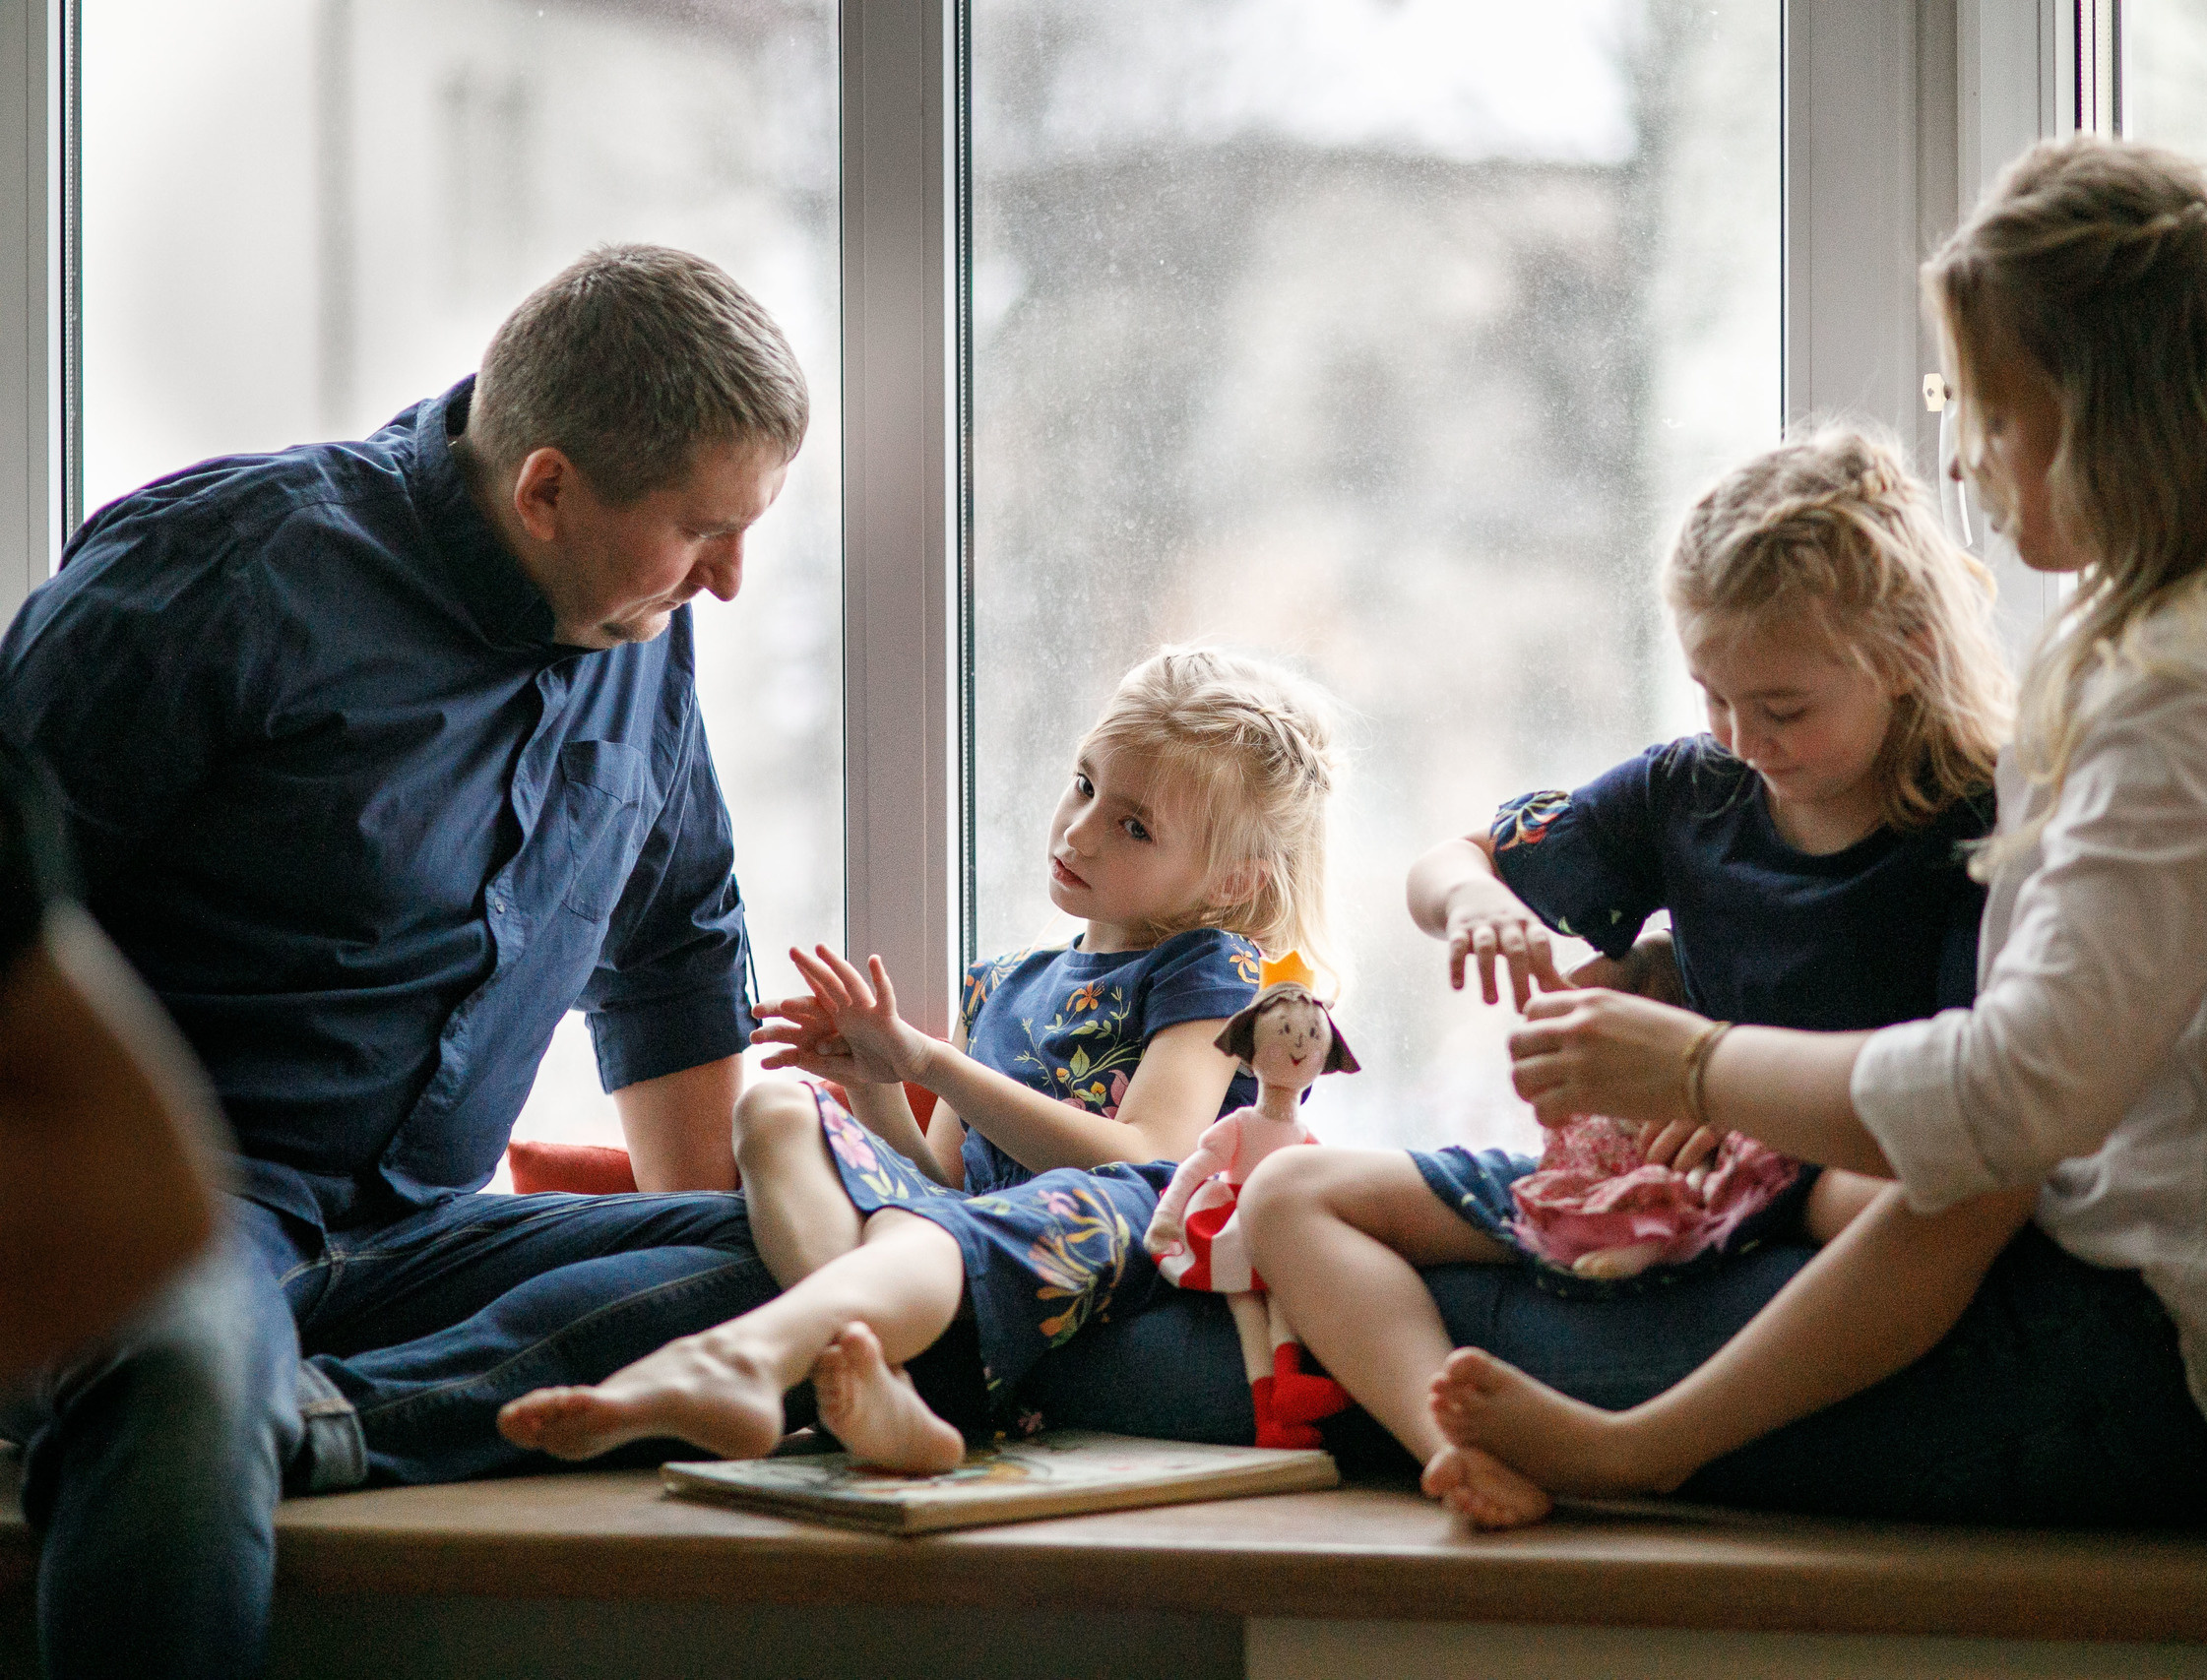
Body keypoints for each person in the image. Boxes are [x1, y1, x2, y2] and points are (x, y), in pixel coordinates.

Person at [1424, 136, 2207, 1528]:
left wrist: (1697, 1066)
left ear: (2107, 416)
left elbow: (2014, 1098)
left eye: (1994, 412)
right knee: (1432, 1272)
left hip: (2152, 1363)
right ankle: (1646, 1439)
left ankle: (1644, 1447)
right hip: (2127, 1301)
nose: (1972, 459)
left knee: (1357, 1319)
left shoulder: (2197, 691)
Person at [0, 244, 807, 1679]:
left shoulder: (639, 623)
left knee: (833, 1243)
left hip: (422, 1243)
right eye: (700, 531)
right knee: (188, 1369)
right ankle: (204, 1391)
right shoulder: (222, 575)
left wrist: (692, 1266)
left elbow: (676, 948)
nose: (731, 580)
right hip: (182, 1219)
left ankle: (317, 1412)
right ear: (545, 486)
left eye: (749, 531)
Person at [1238, 424, 2022, 1525]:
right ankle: (1456, 1446)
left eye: (1784, 707)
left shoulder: (1976, 819)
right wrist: (1479, 907)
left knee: (1946, 1189)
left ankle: (1652, 1445)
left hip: (1829, 1163)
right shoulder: (1687, 791)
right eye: (1713, 695)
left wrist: (1732, 1085)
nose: (1743, 737)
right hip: (1644, 1165)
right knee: (1286, 1193)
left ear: (1905, 651)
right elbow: (1446, 863)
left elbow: (1962, 1087)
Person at [495, 647, 1339, 1470]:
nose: (1078, 832)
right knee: (776, 1107)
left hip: (1103, 1254)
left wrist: (929, 1061)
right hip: (958, 1246)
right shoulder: (1002, 985)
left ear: (1233, 881)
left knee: (913, 1218)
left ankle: (826, 1367)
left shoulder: (1213, 969)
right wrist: (873, 1085)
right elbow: (939, 1182)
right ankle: (874, 1373)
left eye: (1133, 826)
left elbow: (1146, 1155)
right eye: (1084, 784)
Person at [0, 737, 223, 1383]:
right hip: (253, 1204)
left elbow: (163, 1211)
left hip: (412, 1229)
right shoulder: (200, 642)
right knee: (185, 1377)